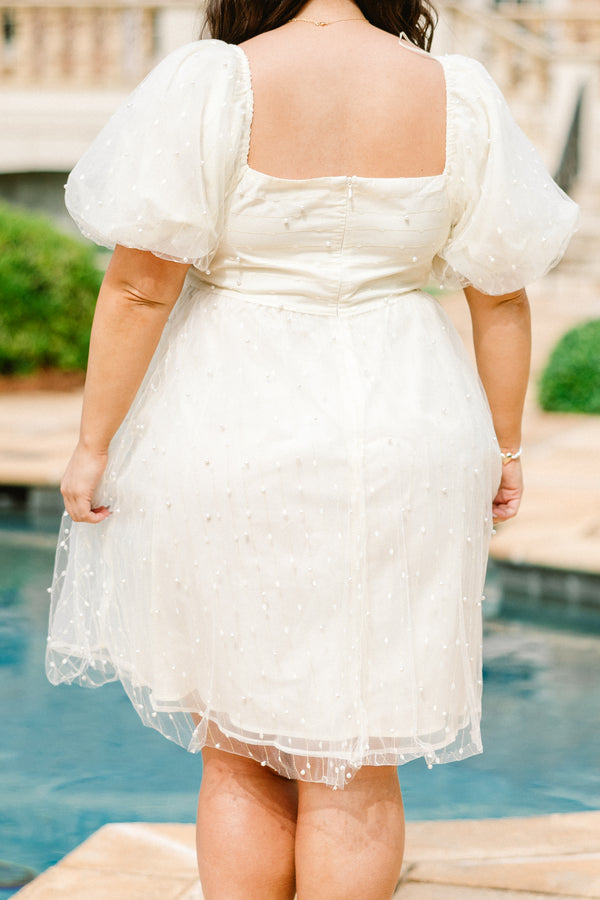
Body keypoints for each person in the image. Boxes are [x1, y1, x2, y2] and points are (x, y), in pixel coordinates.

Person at [46, 0, 578, 896]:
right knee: (359, 749)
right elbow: (502, 297)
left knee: (241, 746)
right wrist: (507, 446)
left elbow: (141, 288)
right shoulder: (459, 92)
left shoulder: (216, 80)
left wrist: (93, 443)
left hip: (233, 417)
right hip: (408, 417)